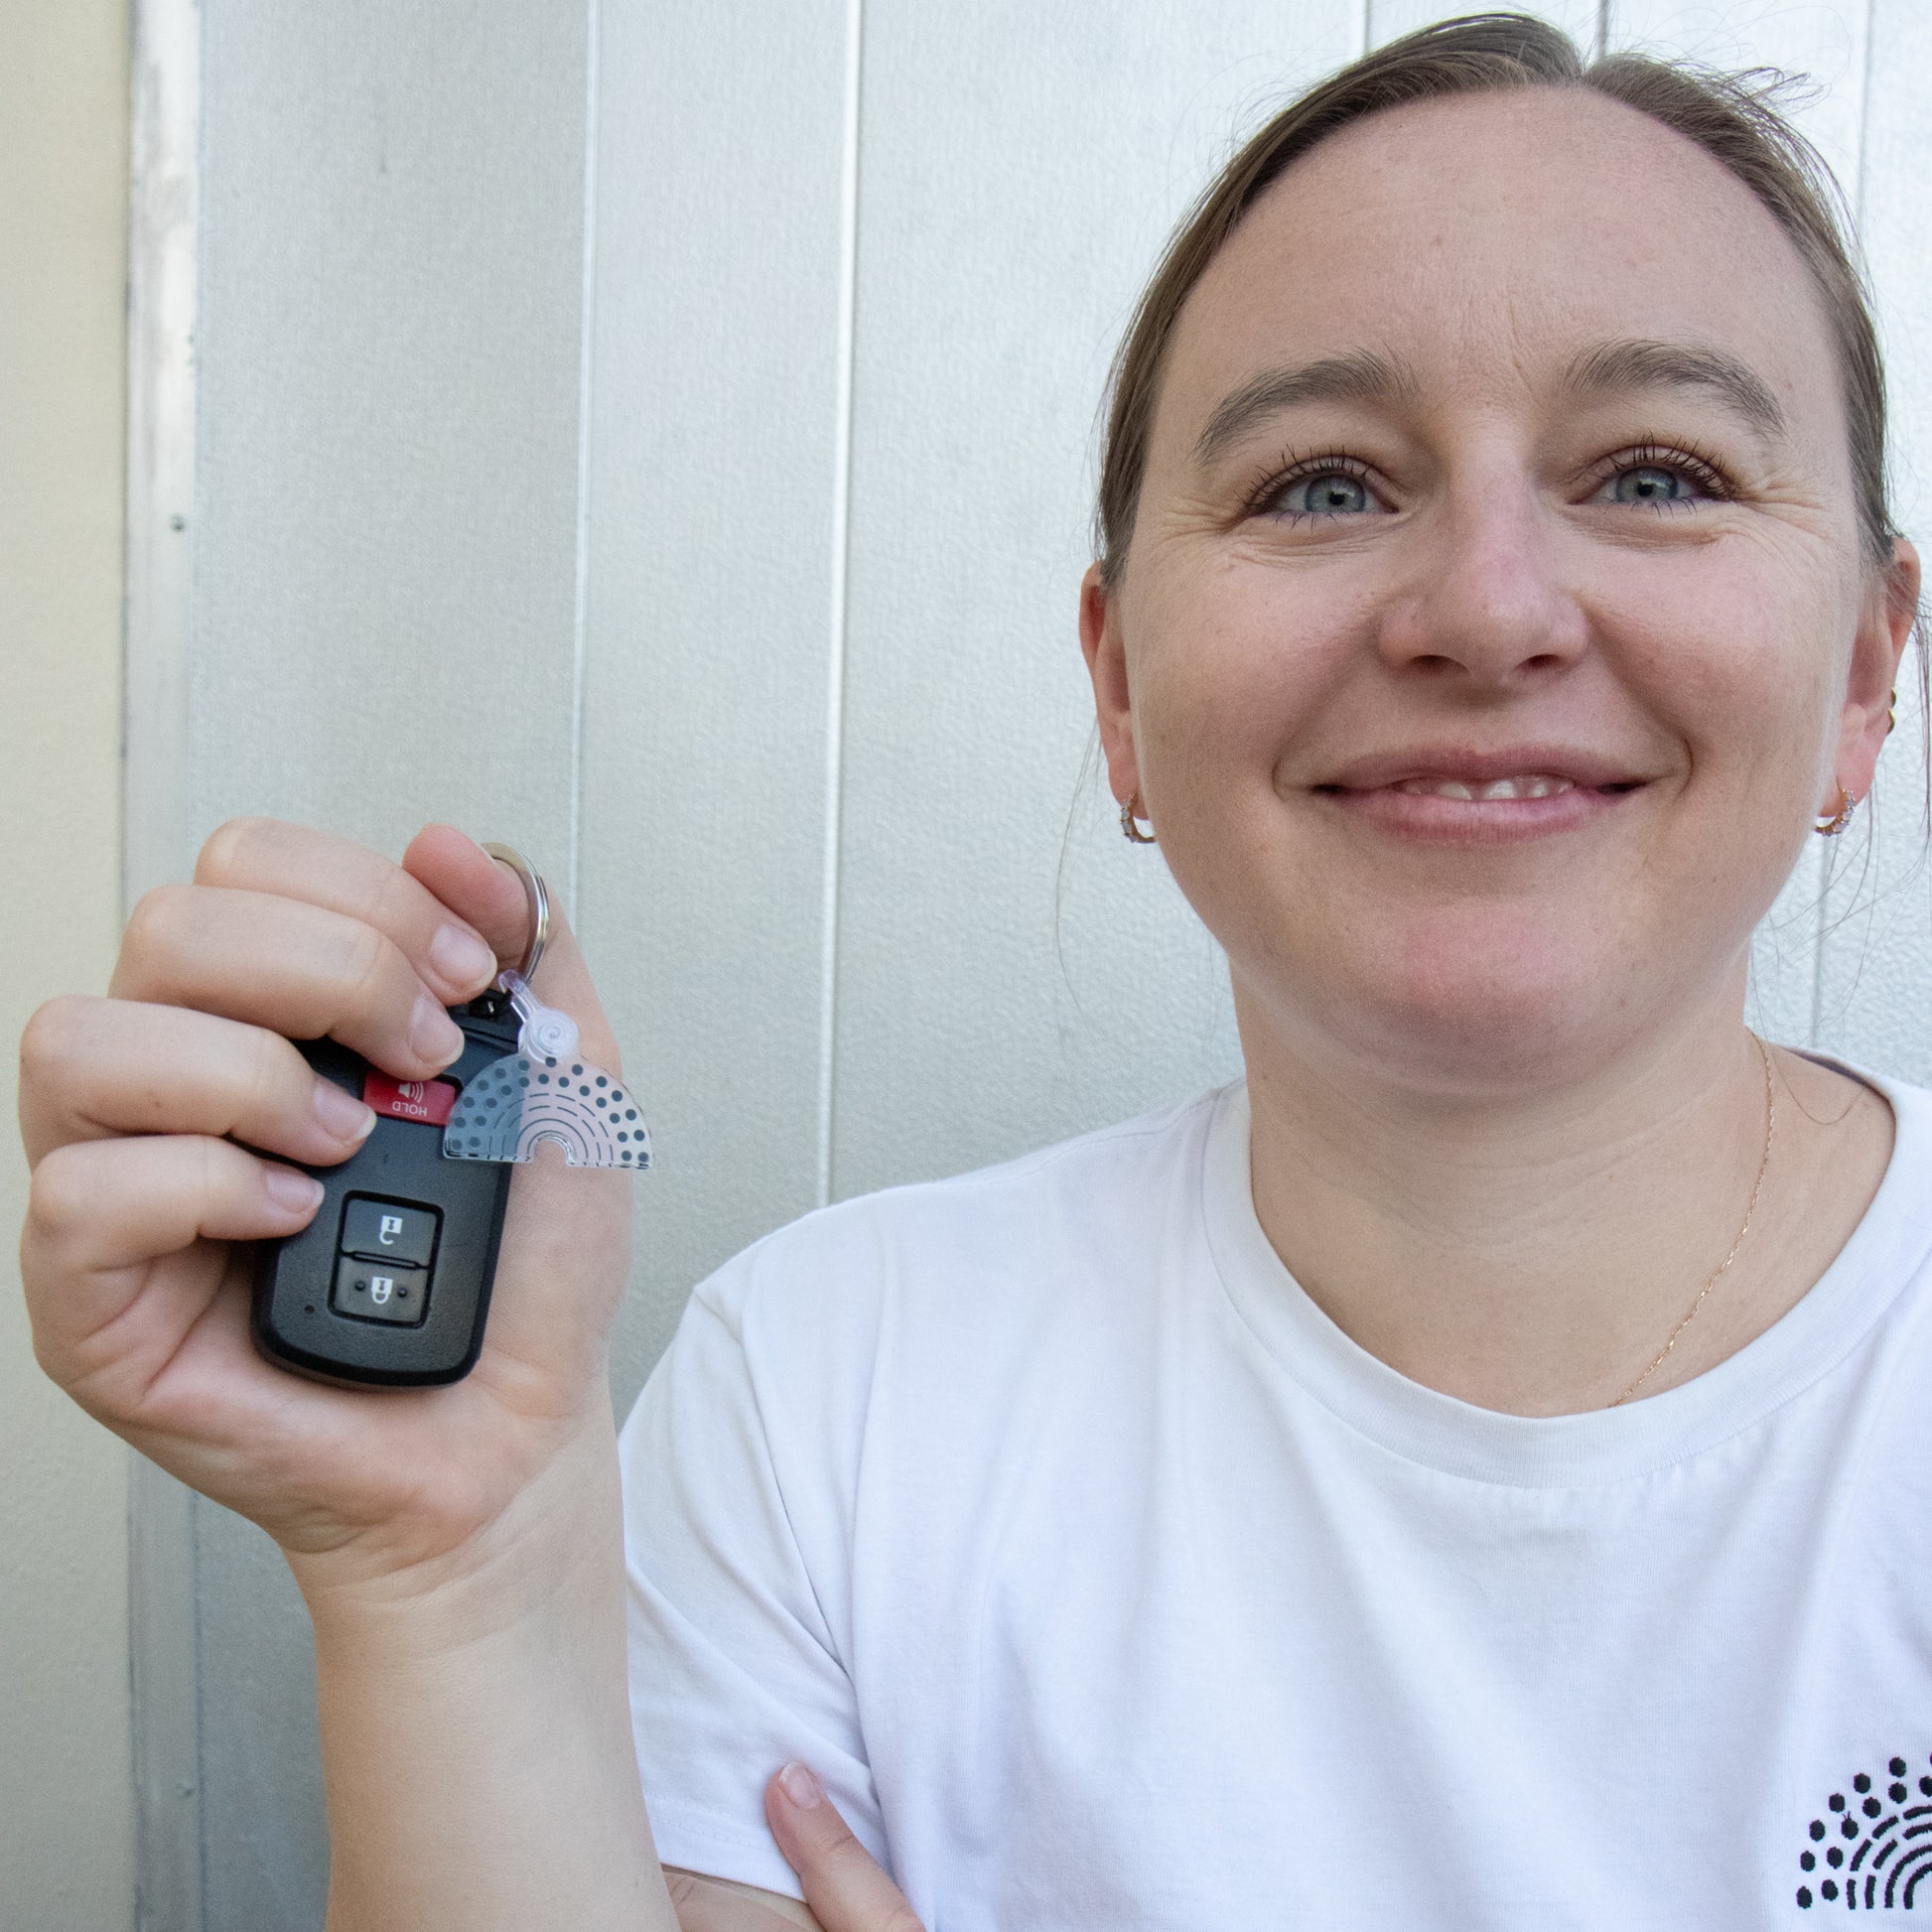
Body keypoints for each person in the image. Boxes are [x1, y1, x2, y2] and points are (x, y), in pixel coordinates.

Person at [19, 11, 1930, 1926]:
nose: (1488, 608)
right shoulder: (832, 1393)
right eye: (1323, 486)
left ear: (1861, 667)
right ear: (1117, 686)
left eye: (1660, 472)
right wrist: (451, 1576)